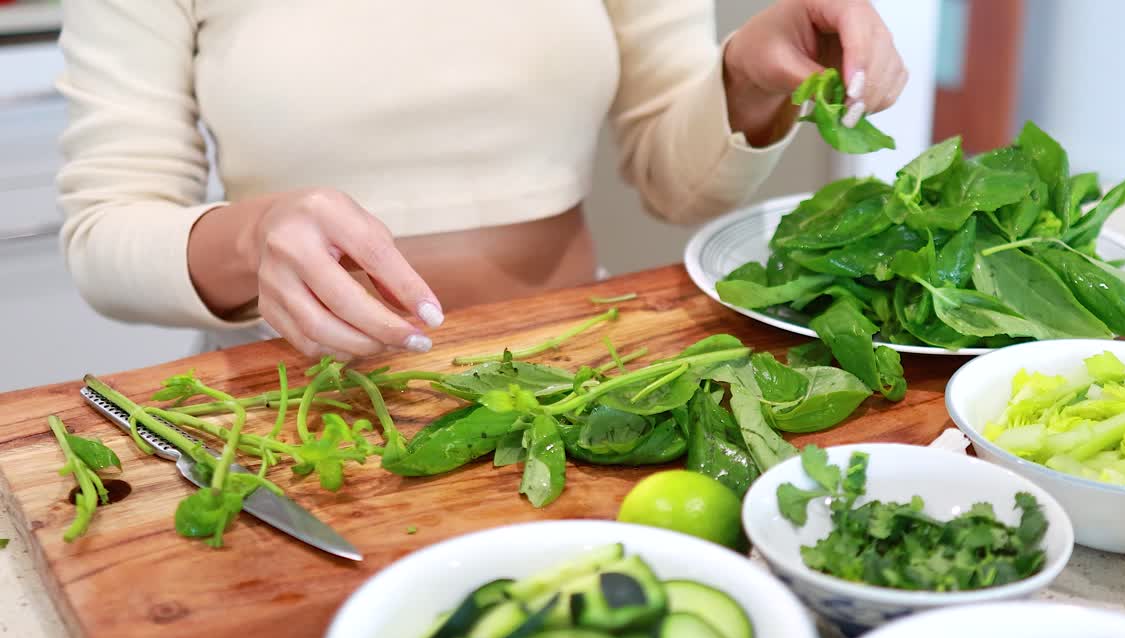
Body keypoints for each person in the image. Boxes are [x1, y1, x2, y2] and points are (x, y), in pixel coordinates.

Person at [55, 0, 906, 361]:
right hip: (292, 406)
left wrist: (747, 82)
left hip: (575, 378)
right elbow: (105, 234)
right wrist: (248, 237)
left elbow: (677, 185)